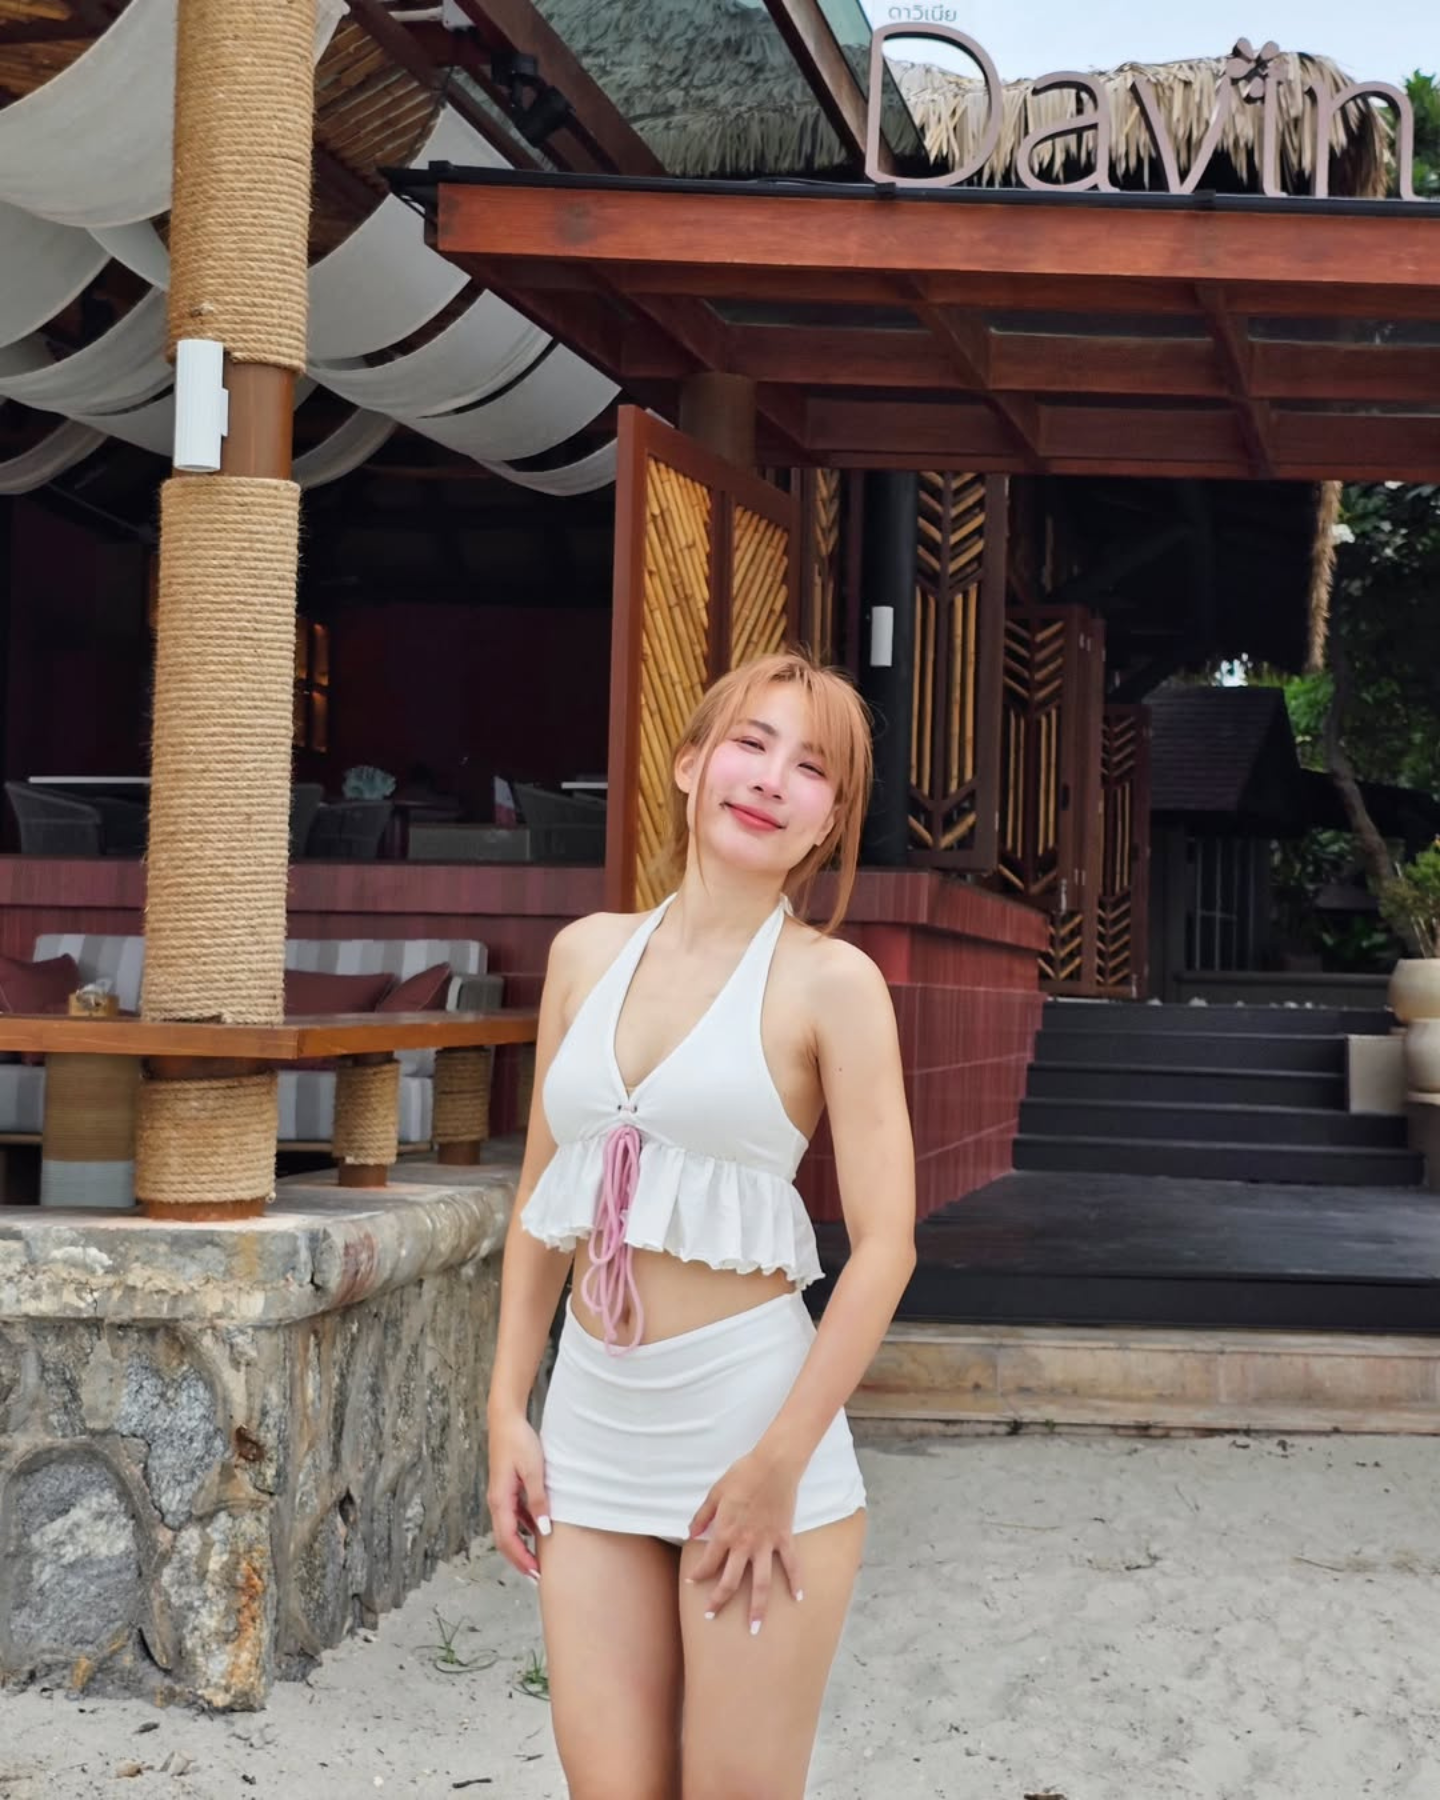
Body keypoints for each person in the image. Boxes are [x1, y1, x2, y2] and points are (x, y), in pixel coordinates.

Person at [486, 649, 917, 1800]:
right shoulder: (584, 954)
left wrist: (779, 1463)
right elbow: (541, 1206)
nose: (773, 779)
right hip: (591, 1429)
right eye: (751, 744)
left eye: (812, 768)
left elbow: (886, 1245)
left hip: (752, 1430)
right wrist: (507, 1410)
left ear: (831, 821)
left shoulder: (834, 984)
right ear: (689, 765)